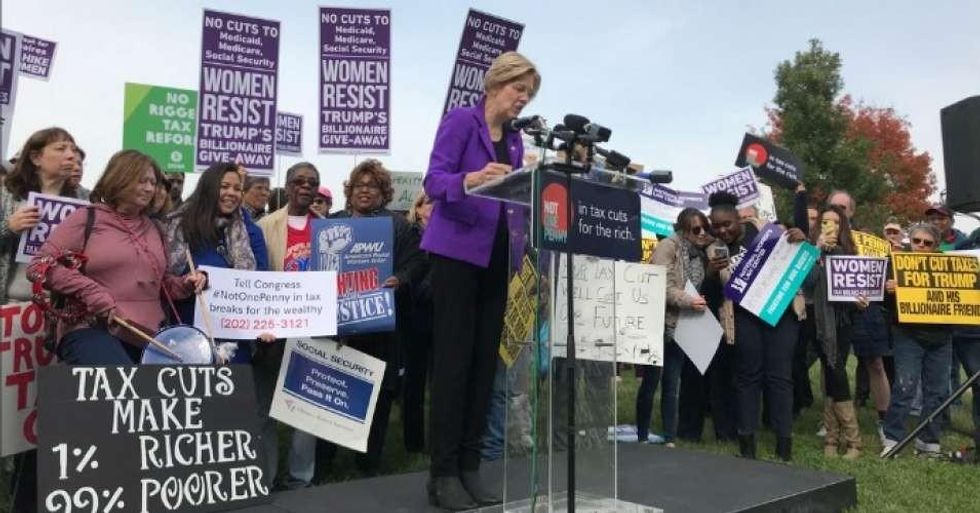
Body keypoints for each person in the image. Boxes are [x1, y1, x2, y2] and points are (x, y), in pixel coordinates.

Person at [422, 51, 539, 510]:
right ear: (496, 85)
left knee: (484, 366)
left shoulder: (513, 140)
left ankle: (470, 466)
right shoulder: (460, 122)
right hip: (454, 255)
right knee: (453, 365)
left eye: (529, 94)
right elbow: (435, 181)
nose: (523, 100)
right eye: (519, 90)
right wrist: (470, 178)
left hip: (497, 257)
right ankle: (443, 473)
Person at [28, 149, 206, 364]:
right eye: (142, 181)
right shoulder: (87, 218)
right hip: (93, 328)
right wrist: (91, 291)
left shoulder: (155, 228)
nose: (150, 188)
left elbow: (161, 284)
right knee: (123, 388)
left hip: (149, 337)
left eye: (153, 182)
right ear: (120, 178)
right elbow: (39, 267)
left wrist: (187, 283)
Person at [322, 159, 425, 474]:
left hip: (380, 328)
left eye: (373, 186)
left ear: (384, 193)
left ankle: (367, 462)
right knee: (332, 392)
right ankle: (324, 461)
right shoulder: (331, 223)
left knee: (377, 397)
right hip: (338, 327)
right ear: (349, 191)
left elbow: (418, 261)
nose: (365, 190)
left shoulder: (397, 226)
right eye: (359, 185)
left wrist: (400, 278)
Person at [1, 128, 85, 513]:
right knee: (8, 408)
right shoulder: (7, 198)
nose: (71, 155)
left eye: (73, 149)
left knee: (42, 408)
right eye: (60, 148)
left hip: (58, 315)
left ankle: (34, 489)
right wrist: (8, 228)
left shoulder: (83, 202)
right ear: (36, 157)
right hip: (11, 314)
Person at [704, 191, 805, 461]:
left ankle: (784, 446)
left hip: (779, 313)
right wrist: (712, 274)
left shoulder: (765, 231)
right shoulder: (714, 251)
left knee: (780, 378)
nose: (722, 230)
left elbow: (796, 258)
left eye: (727, 224)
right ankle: (746, 445)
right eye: (717, 226)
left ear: (739, 219)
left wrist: (799, 239)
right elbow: (713, 296)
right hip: (744, 318)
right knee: (748, 378)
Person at [256, 162, 324, 489]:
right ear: (287, 185)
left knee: (306, 408)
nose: (306, 187)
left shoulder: (328, 228)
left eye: (313, 182)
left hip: (311, 329)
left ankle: (301, 478)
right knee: (264, 405)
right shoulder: (265, 225)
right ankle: (264, 475)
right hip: (272, 329)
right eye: (299, 181)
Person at [162, 162, 270, 363]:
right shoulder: (181, 226)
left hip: (234, 342)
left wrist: (263, 325)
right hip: (189, 339)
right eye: (224, 186)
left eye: (238, 189)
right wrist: (191, 280)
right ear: (209, 187)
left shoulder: (250, 231)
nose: (232, 193)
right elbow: (164, 277)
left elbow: (259, 284)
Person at [636, 208, 718, 445]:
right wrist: (689, 301)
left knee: (673, 383)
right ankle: (642, 435)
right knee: (651, 382)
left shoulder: (700, 252)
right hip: (658, 322)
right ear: (683, 229)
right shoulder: (668, 247)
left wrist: (711, 246)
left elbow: (704, 278)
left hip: (681, 323)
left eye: (705, 228)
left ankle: (669, 438)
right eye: (696, 229)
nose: (702, 233)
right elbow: (660, 284)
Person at [881, 223, 953, 457]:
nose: (921, 246)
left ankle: (928, 440)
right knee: (905, 386)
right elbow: (883, 304)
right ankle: (892, 436)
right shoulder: (896, 264)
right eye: (916, 241)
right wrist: (888, 291)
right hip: (908, 335)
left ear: (936, 246)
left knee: (938, 391)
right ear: (909, 242)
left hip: (941, 336)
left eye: (927, 243)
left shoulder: (950, 267)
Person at [805, 205, 866, 459]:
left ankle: (852, 441)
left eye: (836, 223)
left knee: (836, 371)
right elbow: (806, 283)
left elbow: (855, 290)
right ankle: (834, 437)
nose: (830, 226)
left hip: (842, 323)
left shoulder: (850, 253)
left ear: (843, 228)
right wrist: (816, 250)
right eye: (825, 222)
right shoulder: (810, 253)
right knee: (831, 373)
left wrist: (861, 302)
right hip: (818, 321)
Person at [403, 192, 434, 453]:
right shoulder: (411, 235)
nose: (434, 208)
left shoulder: (446, 236)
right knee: (414, 382)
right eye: (430, 203)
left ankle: (435, 435)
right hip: (415, 315)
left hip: (438, 315)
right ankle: (413, 442)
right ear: (419, 208)